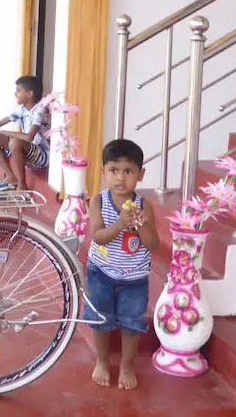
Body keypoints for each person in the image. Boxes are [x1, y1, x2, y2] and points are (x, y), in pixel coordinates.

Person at [80, 138, 159, 390]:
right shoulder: (98, 201)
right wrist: (120, 224)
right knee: (100, 318)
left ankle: (127, 364)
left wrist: (140, 225)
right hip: (101, 272)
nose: (120, 178)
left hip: (134, 276)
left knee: (131, 322)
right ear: (103, 172)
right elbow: (98, 236)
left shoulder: (144, 206)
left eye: (128, 171)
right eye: (114, 170)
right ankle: (102, 360)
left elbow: (153, 244)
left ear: (140, 174)